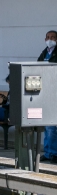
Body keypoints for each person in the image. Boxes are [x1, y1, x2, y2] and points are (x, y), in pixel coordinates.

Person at [40, 30, 57, 160]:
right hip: (45, 92)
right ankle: (48, 152)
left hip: (54, 91)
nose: (50, 39)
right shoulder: (44, 52)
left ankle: (53, 153)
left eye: (53, 37)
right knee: (47, 124)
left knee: (52, 126)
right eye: (48, 37)